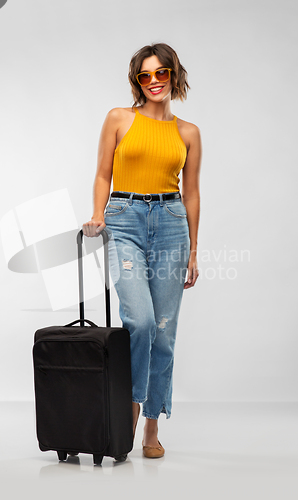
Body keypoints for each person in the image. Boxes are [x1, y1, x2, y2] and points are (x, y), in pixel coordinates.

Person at [83, 42, 201, 458]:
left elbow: (191, 194)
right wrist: (97, 213)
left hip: (171, 226)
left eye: (161, 73)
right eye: (145, 76)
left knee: (165, 334)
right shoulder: (119, 119)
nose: (154, 82)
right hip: (124, 219)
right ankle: (127, 415)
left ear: (174, 73)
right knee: (142, 323)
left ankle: (151, 426)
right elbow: (102, 173)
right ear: (137, 81)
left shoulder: (188, 132)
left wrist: (192, 250)